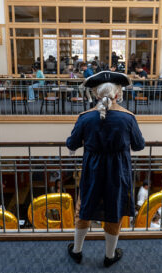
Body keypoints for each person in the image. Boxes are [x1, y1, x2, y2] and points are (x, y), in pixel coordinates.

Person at [66, 71, 145, 267]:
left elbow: (72, 143)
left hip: (92, 171)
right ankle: (110, 256)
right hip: (118, 172)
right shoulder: (128, 118)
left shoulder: (85, 118)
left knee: (83, 209)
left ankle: (76, 251)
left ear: (96, 95)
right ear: (118, 94)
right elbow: (138, 145)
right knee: (113, 211)